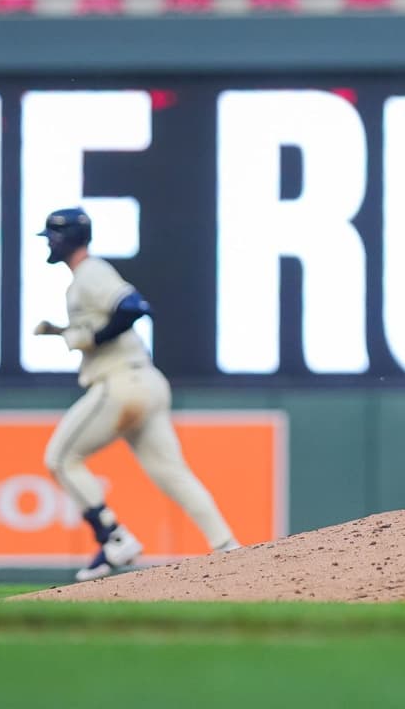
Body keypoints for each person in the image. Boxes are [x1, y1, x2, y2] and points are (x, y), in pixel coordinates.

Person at [32, 208, 242, 582]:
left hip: (121, 383)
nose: (47, 242)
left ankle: (114, 538)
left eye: (51, 235)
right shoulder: (83, 279)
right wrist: (68, 331)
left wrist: (91, 337)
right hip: (146, 381)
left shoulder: (91, 273)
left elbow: (134, 307)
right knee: (172, 473)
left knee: (61, 458)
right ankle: (229, 548)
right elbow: (111, 317)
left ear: (67, 238)